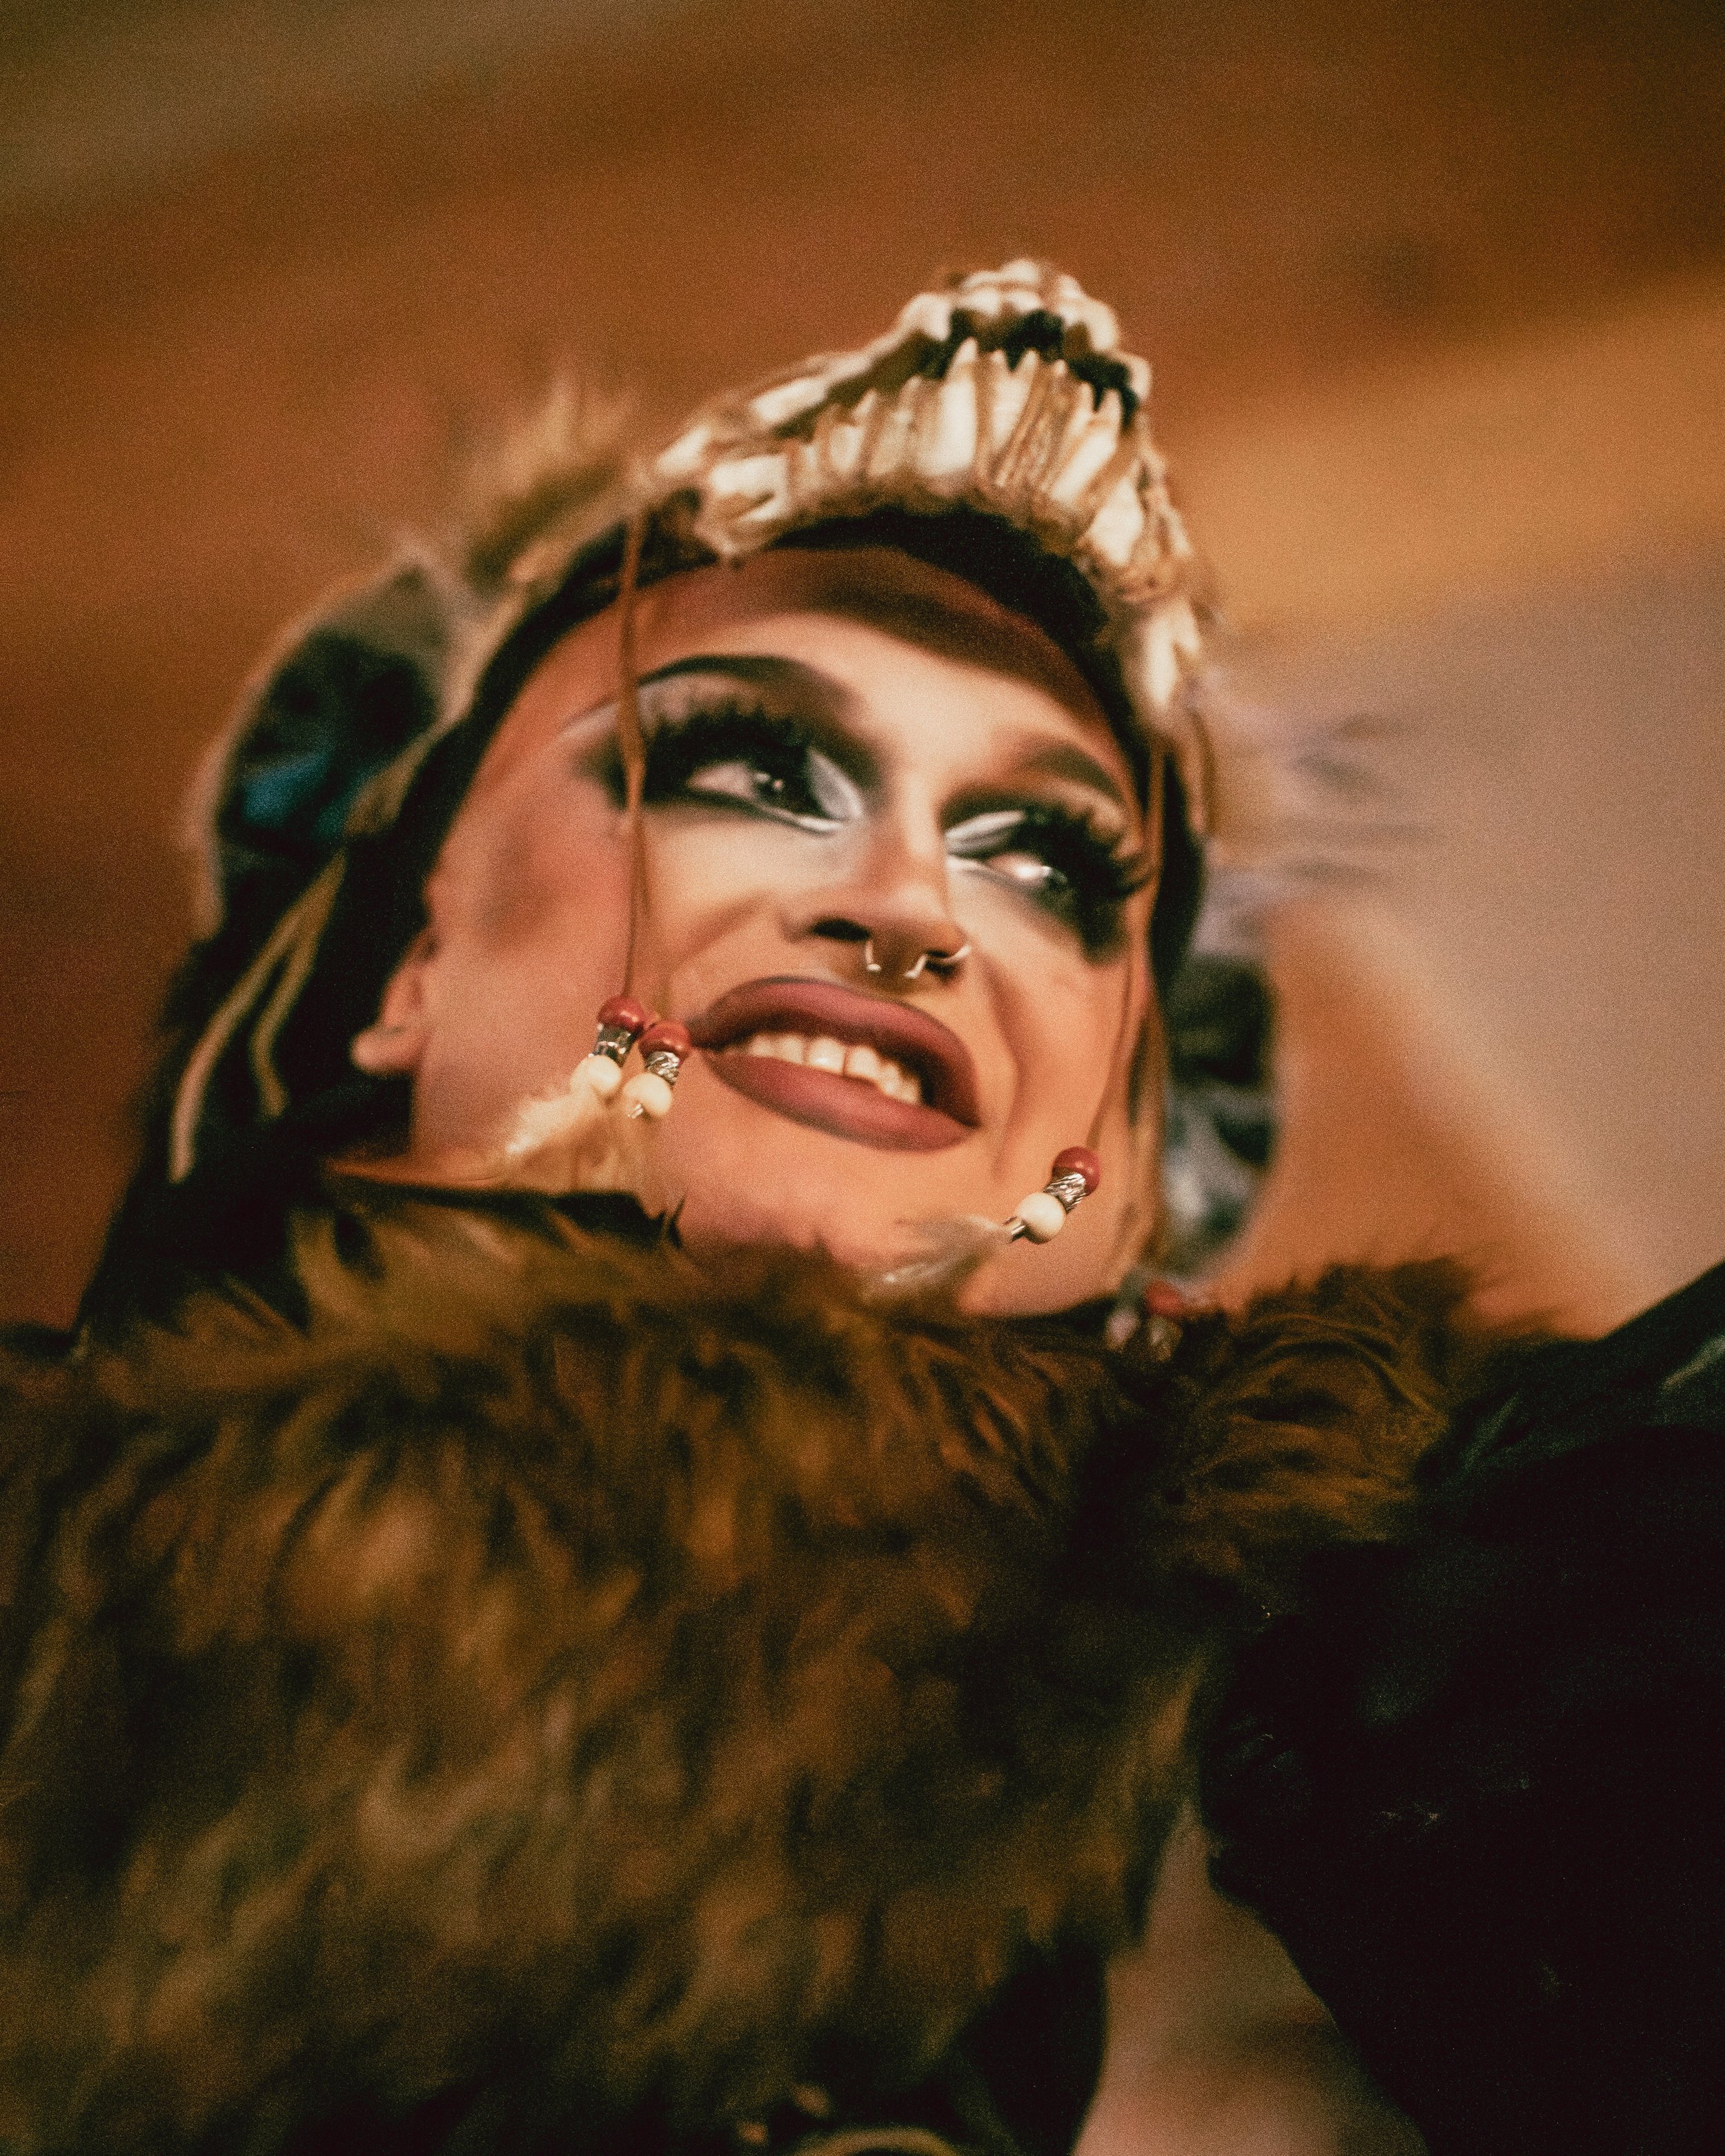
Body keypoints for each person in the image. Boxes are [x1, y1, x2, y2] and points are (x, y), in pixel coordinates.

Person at [3, 260, 1713, 2156]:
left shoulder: (1445, 1658)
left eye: (1047, 862)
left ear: (1118, 1178)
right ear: (401, 971)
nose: (908, 908)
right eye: (748, 767)